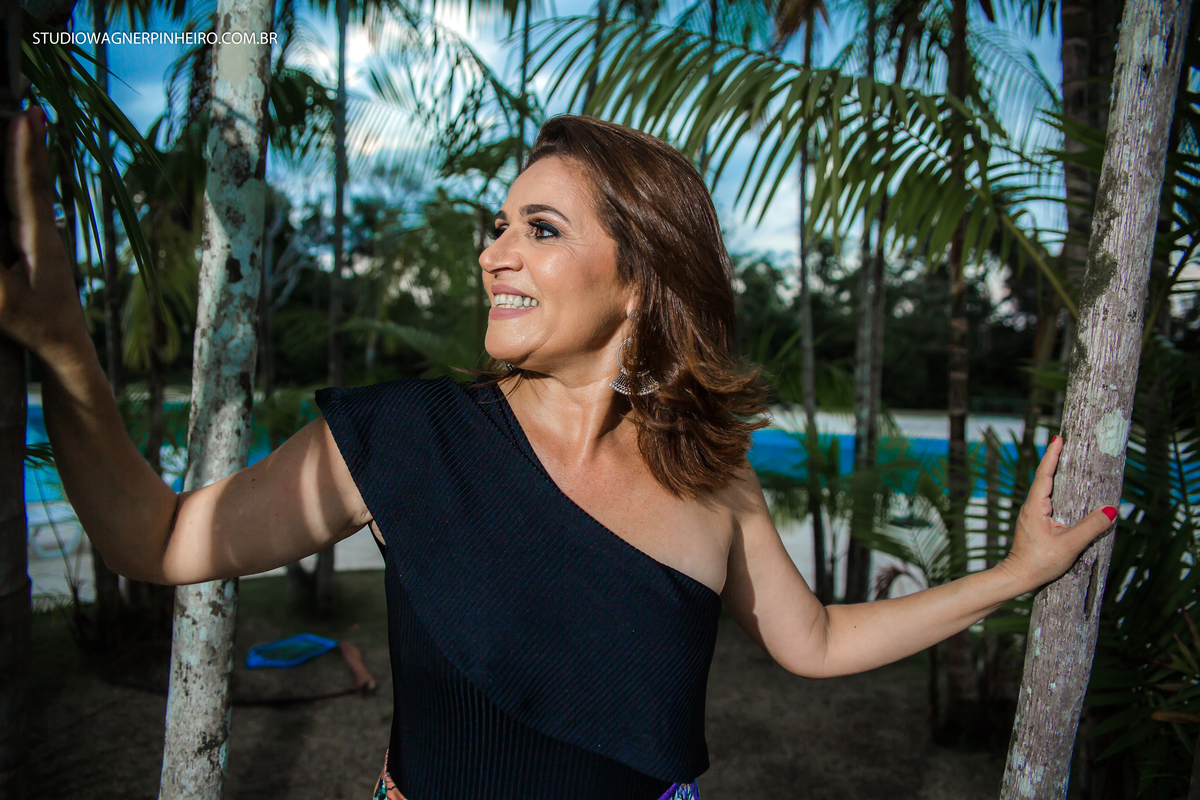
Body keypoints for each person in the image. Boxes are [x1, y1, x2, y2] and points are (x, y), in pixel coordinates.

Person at [0, 107, 1116, 800]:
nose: (495, 252)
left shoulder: (710, 475)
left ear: (640, 281)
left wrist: (1016, 576)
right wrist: (62, 348)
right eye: (499, 226)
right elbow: (156, 538)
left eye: (540, 229)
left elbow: (814, 639)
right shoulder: (407, 437)